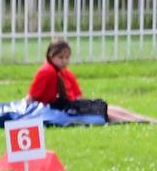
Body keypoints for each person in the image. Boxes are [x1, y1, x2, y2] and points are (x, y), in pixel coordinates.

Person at [28, 39, 156, 123]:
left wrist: (84, 104)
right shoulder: (47, 71)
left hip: (74, 104)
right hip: (67, 108)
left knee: (107, 107)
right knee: (105, 112)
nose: (64, 61)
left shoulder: (64, 73)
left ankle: (143, 118)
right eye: (60, 57)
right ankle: (140, 121)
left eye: (67, 58)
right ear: (51, 56)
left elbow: (77, 94)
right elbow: (33, 96)